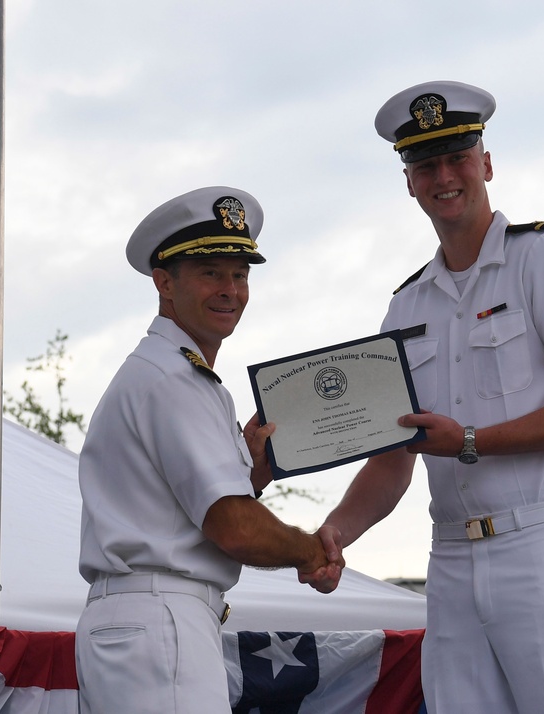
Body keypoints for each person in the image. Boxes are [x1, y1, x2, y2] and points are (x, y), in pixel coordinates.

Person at [319, 82, 544, 713]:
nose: (445, 176)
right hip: (452, 557)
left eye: (457, 157)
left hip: (542, 546)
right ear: (409, 182)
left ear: (486, 163)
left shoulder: (543, 260)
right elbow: (393, 456)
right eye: (426, 164)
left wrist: (469, 441)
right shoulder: (406, 306)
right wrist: (332, 536)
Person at [75, 186, 344, 714]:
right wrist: (312, 551)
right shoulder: (175, 379)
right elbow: (234, 529)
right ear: (164, 283)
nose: (230, 290)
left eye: (240, 274)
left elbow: (176, 512)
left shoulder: (167, 372)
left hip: (144, 620)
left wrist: (250, 479)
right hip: (161, 618)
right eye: (211, 273)